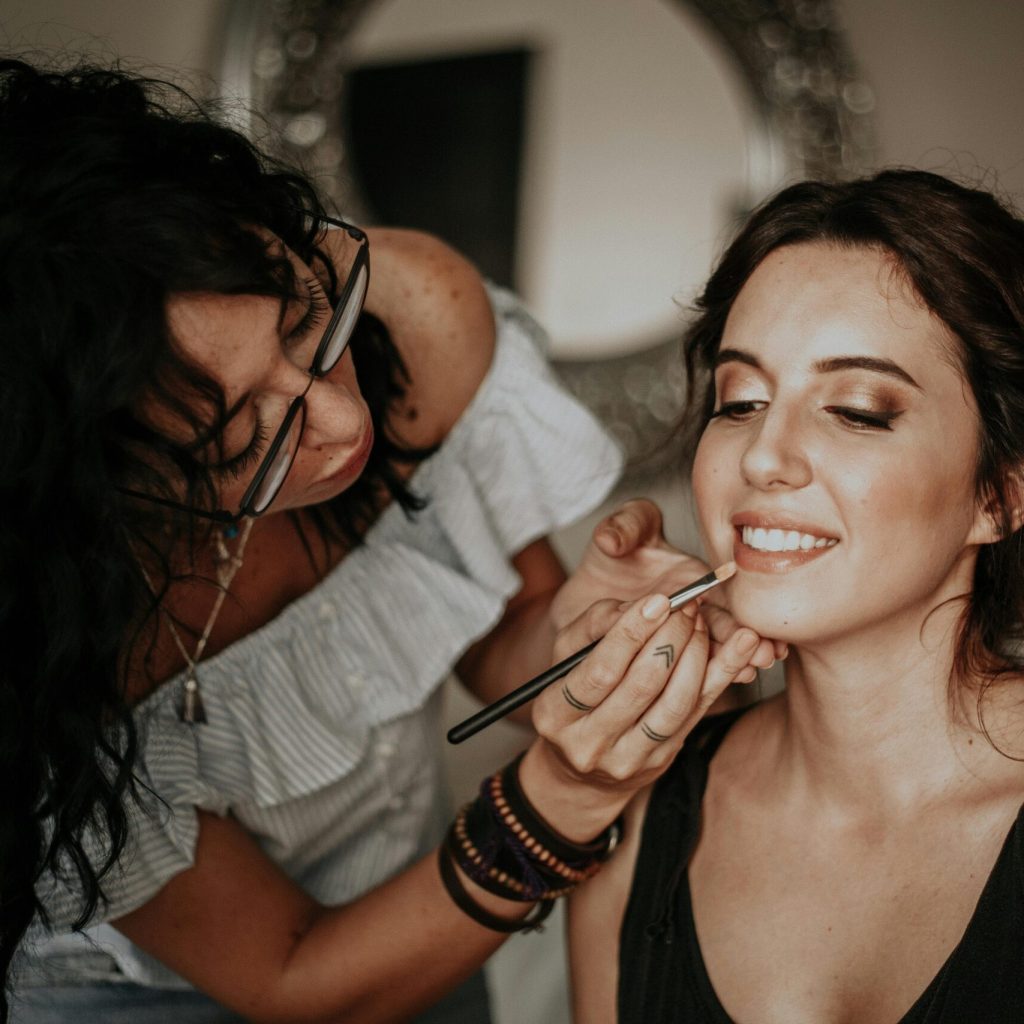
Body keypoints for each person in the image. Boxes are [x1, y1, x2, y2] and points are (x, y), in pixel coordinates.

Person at [0, 59, 779, 1024]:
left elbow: (510, 623)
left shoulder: (411, 323)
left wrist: (580, 636)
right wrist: (560, 800)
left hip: (441, 923)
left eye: (301, 322)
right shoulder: (41, 640)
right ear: (96, 495)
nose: (338, 422)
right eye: (244, 439)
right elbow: (295, 978)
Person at [569, 168, 1024, 1023]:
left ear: (998, 495)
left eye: (855, 409)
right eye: (739, 401)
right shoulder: (637, 825)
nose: (762, 457)